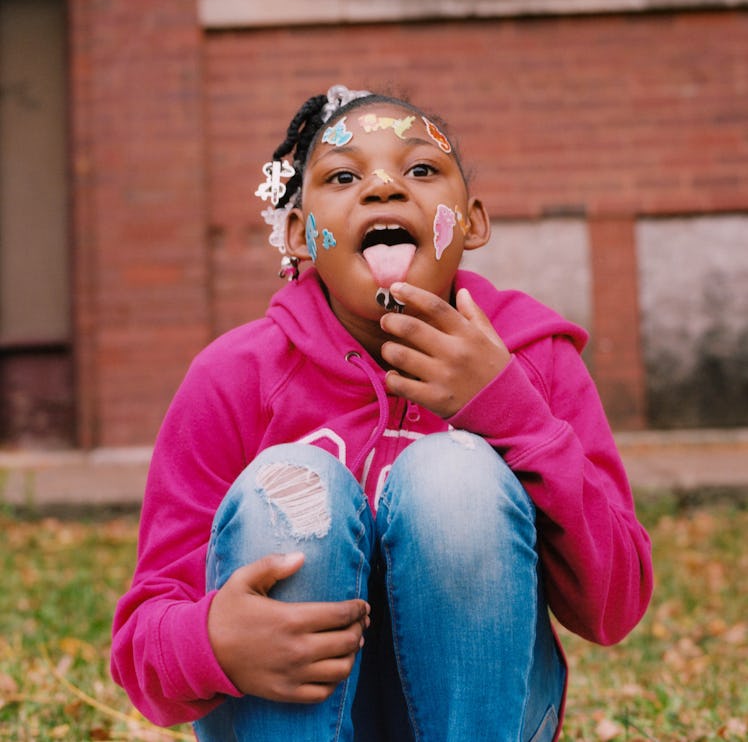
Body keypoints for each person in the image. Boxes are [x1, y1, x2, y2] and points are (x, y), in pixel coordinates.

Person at [111, 85, 653, 742]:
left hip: (482, 714)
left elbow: (616, 607)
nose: (383, 187)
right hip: (285, 719)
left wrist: (513, 414)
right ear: (295, 233)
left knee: (454, 475)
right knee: (290, 480)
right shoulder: (234, 378)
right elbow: (141, 647)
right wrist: (212, 640)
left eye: (421, 169)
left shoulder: (532, 362)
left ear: (474, 221)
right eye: (342, 176)